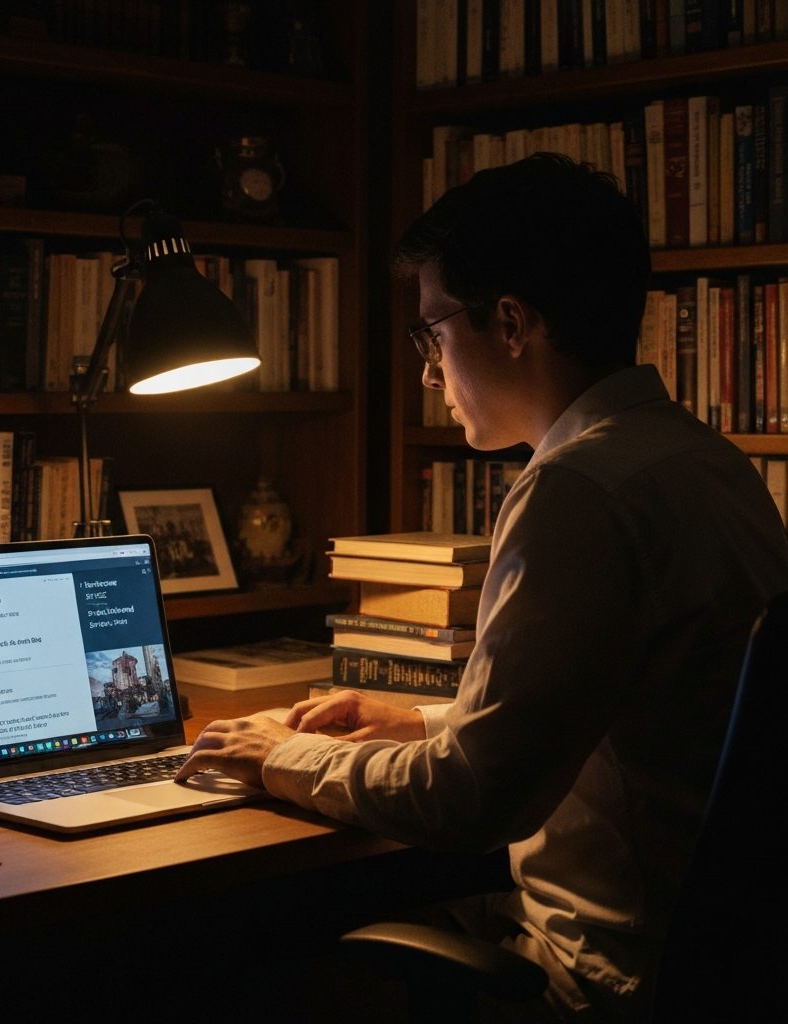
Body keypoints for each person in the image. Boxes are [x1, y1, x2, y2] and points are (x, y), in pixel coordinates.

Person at [175, 154, 788, 1021]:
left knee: (232, 970)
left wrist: (282, 757)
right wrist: (421, 718)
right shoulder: (702, 460)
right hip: (723, 964)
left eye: (434, 332)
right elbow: (610, 703)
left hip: (599, 975)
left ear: (510, 323)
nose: (428, 369)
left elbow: (474, 800)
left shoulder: (578, 488)